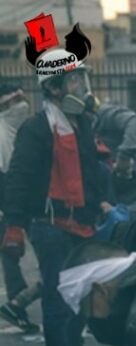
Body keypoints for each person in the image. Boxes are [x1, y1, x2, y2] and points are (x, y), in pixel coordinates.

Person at [2, 50, 112, 346]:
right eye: (74, 79)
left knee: (80, 297)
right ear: (53, 87)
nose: (80, 85)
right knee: (57, 298)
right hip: (49, 224)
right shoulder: (36, 129)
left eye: (81, 78)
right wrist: (15, 225)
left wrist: (103, 201)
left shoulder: (82, 124)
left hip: (82, 222)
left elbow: (90, 172)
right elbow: (19, 178)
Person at [0, 83, 42, 333]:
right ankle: (18, 305)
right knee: (11, 254)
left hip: (22, 200)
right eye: (16, 101)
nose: (22, 106)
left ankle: (18, 304)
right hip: (7, 205)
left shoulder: (16, 131)